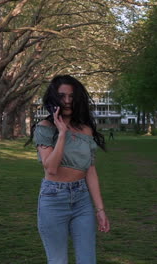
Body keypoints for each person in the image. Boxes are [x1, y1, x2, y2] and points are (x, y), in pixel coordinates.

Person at [25, 75, 110, 264]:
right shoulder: (44, 128)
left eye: (71, 96)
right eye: (62, 96)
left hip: (82, 199)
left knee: (88, 260)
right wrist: (62, 134)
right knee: (58, 260)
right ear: (54, 98)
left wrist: (100, 210)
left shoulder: (85, 130)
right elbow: (52, 168)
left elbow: (90, 171)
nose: (67, 101)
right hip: (54, 199)